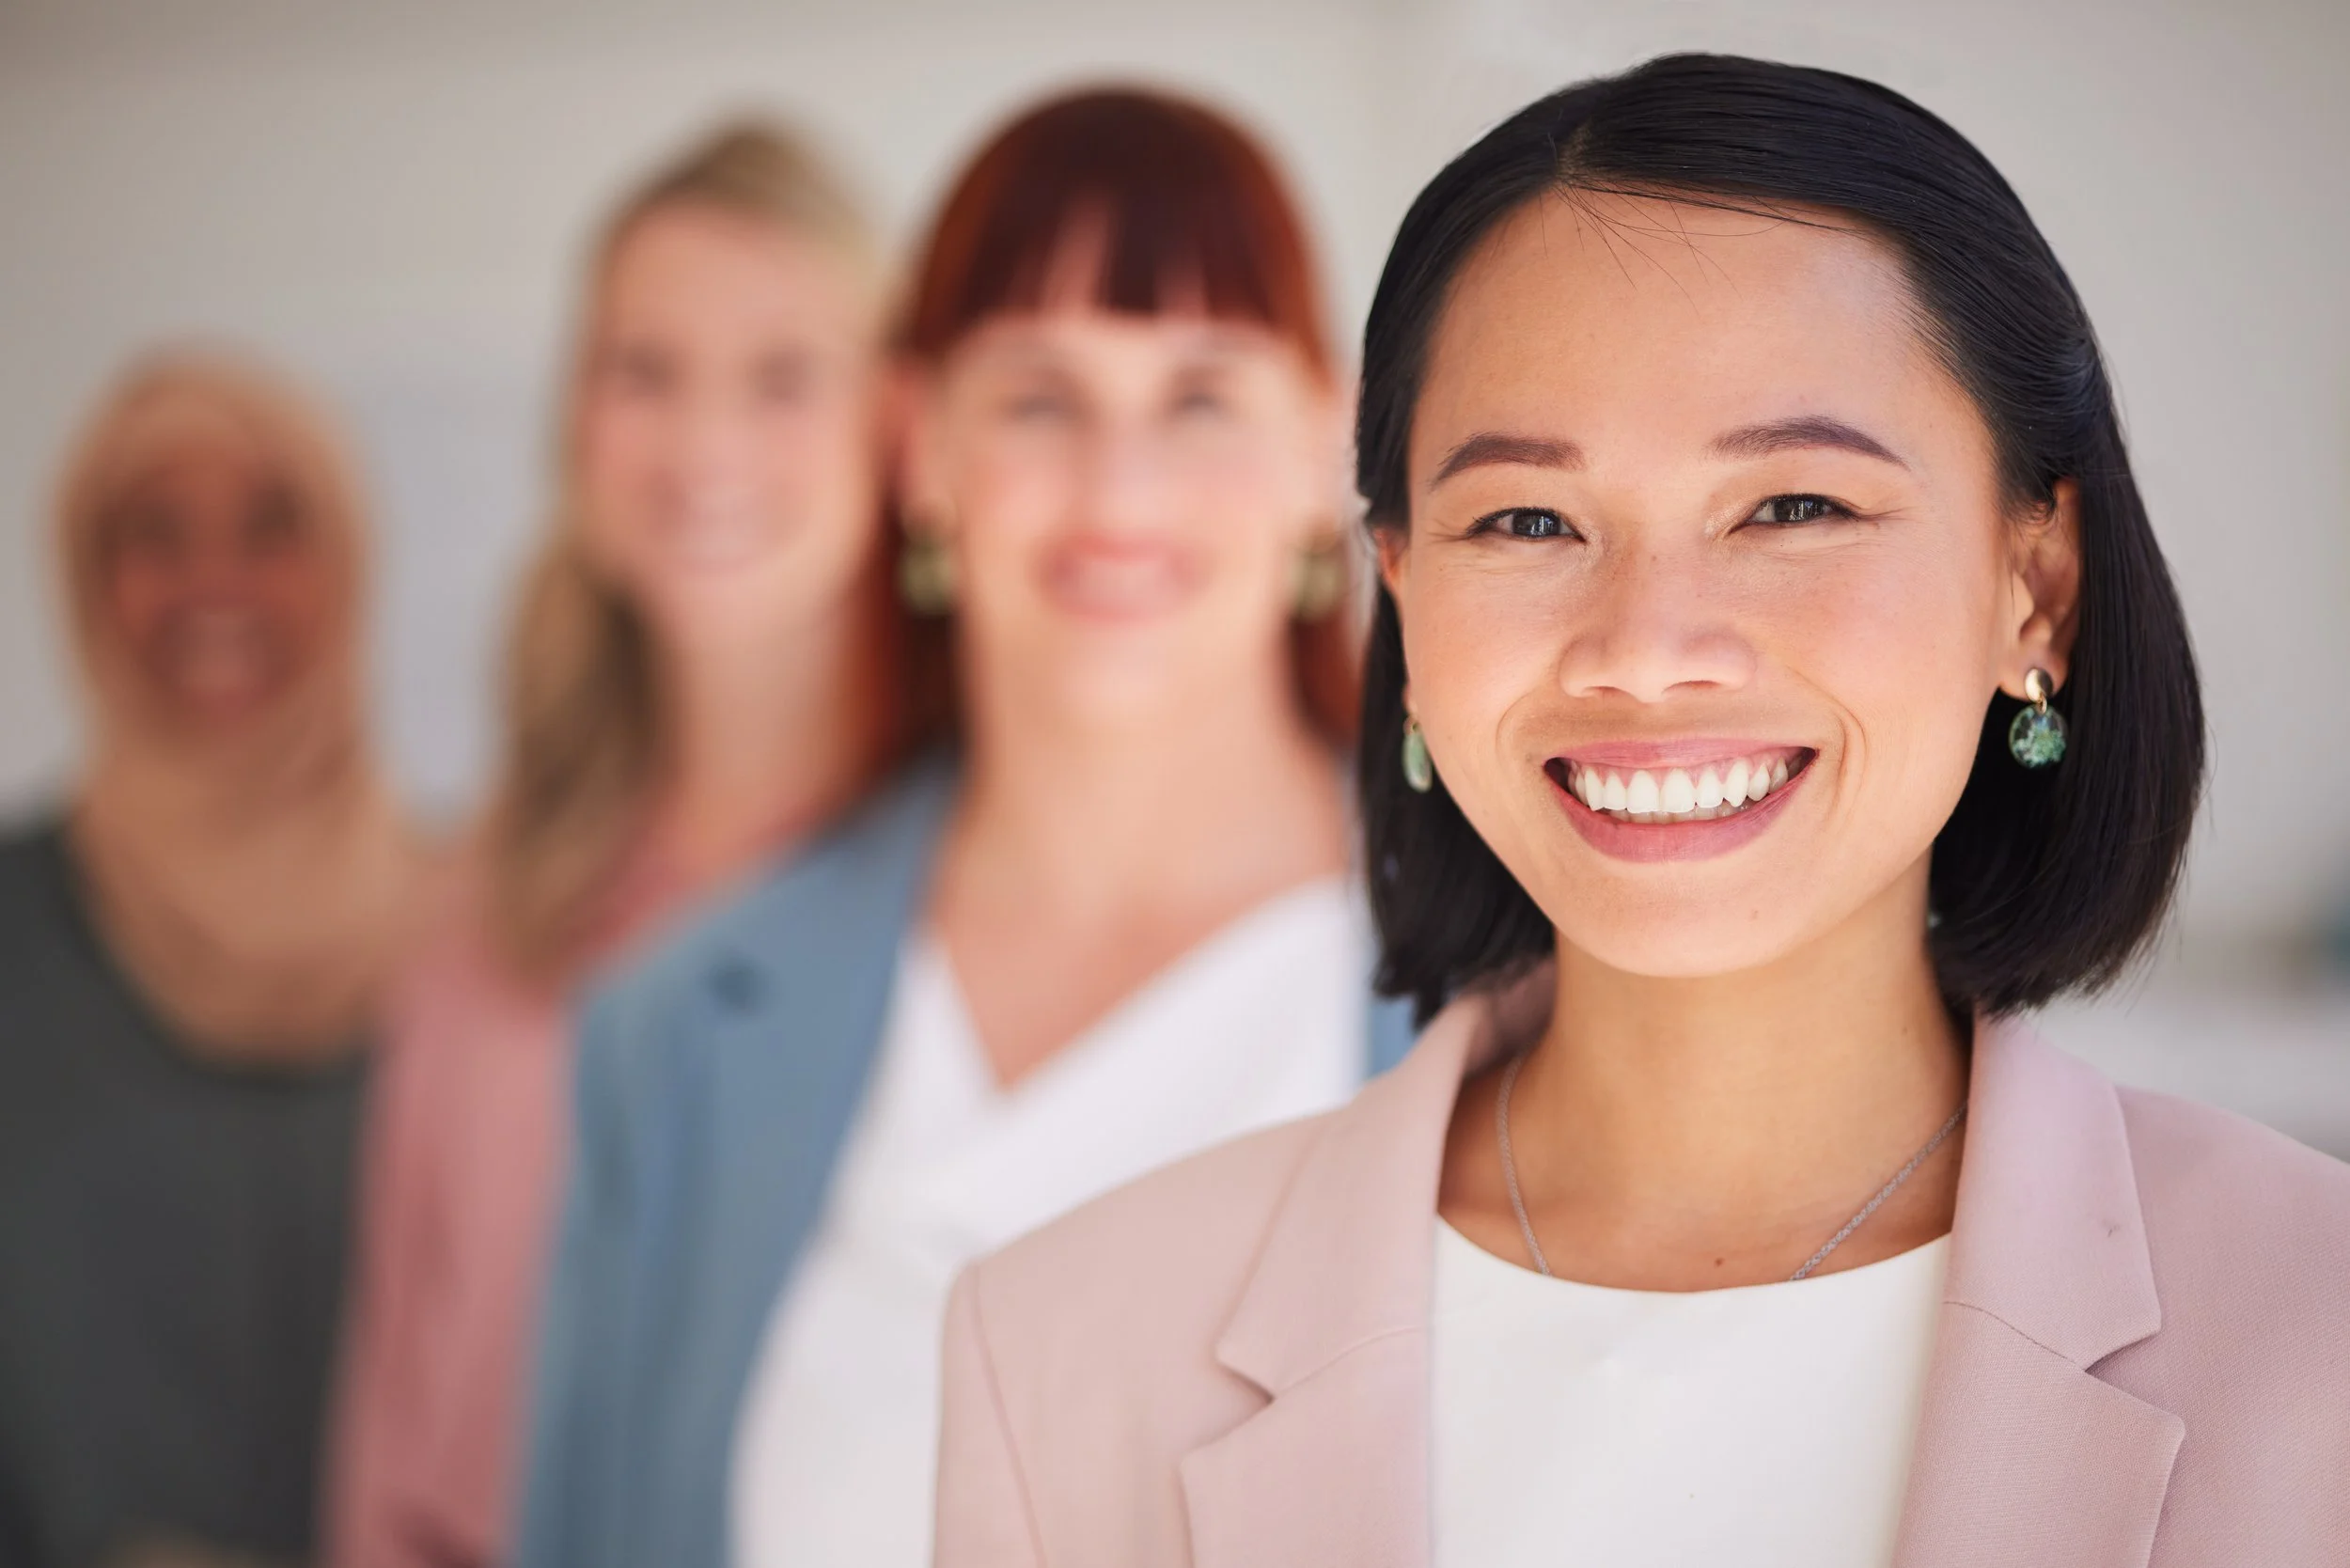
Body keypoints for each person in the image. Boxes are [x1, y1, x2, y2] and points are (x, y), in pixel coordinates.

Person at [933, 55, 2350, 1568]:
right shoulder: (1063, 1357)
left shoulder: (2315, 1331)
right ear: (1402, 594)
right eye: (1528, 520)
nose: (1648, 651)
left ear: (2036, 586)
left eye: (1793, 506)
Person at [511, 86, 1412, 1568]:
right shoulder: (673, 1035)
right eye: (1039, 398)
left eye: (1199, 398)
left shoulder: (1514, 995)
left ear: (1327, 444)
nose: (1117, 490)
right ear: (918, 448)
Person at [325, 122, 928, 1568]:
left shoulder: (976, 884)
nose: (704, 444)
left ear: (896, 429)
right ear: (575, 425)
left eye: (782, 376)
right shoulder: (488, 900)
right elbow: (398, 1428)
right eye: (642, 371)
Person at [0, 351, 419, 1568]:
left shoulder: (486, 937)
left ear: (344, 565)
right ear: (87, 580)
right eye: (156, 533)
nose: (213, 583)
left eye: (268, 527)